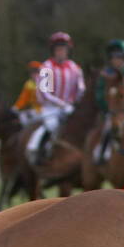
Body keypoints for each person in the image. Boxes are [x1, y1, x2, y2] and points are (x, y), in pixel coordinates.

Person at [28, 32, 85, 164]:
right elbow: (44, 93)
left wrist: (76, 101)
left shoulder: (74, 68)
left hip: (70, 108)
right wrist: (60, 103)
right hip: (51, 108)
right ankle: (41, 151)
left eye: (63, 49)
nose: (61, 52)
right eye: (58, 49)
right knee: (52, 125)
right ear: (53, 51)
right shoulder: (46, 68)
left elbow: (81, 89)